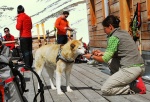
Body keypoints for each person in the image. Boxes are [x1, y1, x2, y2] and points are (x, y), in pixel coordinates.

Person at [84, 15, 146, 95]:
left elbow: (105, 59)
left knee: (106, 89)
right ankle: (128, 80)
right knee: (110, 61)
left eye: (104, 28)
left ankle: (132, 86)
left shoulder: (114, 37)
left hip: (130, 68)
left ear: (110, 26)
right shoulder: (124, 33)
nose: (104, 31)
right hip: (139, 66)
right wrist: (101, 53)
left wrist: (92, 56)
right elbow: (119, 52)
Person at [16, 5, 33, 69]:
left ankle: (27, 66)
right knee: (29, 51)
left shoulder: (20, 17)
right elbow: (31, 27)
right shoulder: (28, 17)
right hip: (29, 36)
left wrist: (17, 20)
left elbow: (18, 27)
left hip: (23, 36)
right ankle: (30, 65)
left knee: (25, 51)